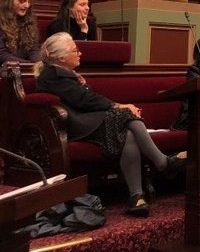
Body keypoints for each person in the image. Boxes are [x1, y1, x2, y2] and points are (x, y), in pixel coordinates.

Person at [35, 32, 183, 218]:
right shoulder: (52, 75)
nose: (80, 53)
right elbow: (85, 100)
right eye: (75, 50)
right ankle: (163, 162)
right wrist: (118, 105)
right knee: (127, 115)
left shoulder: (63, 73)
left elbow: (82, 98)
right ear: (61, 57)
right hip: (74, 124)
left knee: (128, 135)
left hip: (84, 119)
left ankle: (136, 197)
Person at [0, 0, 41, 64]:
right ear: (9, 2)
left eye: (29, 2)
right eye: (22, 1)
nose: (27, 6)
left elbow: (33, 51)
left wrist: (39, 64)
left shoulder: (29, 23)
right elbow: (2, 55)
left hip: (23, 68)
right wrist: (29, 64)